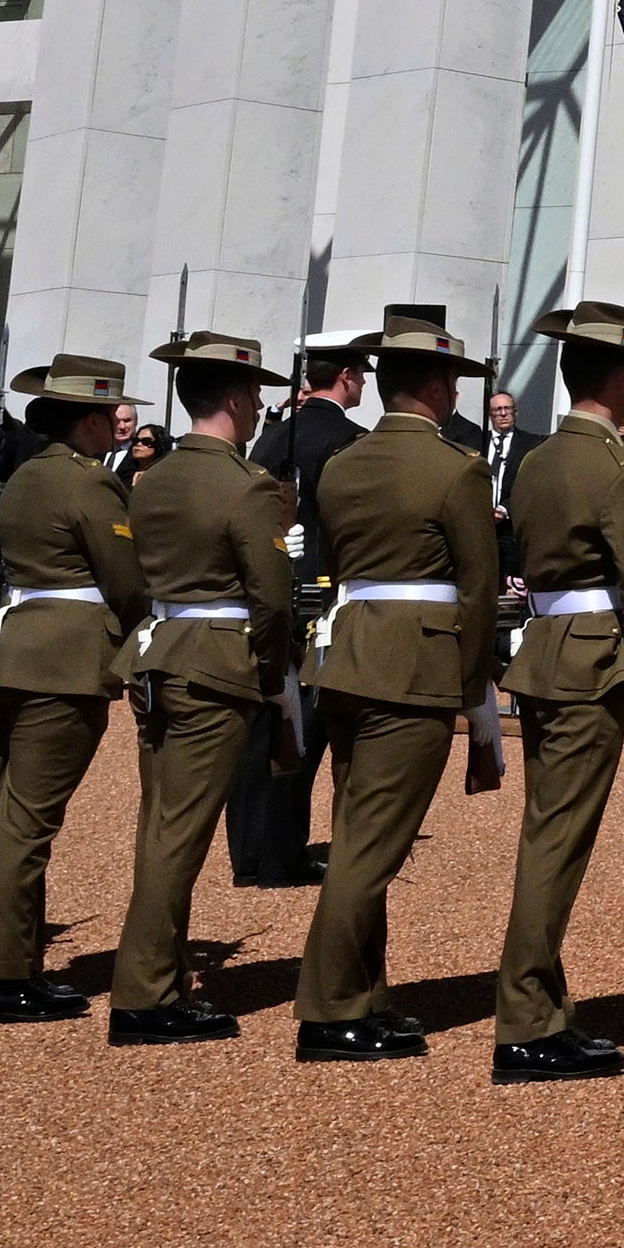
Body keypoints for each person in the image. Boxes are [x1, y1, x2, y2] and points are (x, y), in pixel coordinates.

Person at [289, 310, 501, 1064]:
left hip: (350, 655)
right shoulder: (457, 467)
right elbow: (479, 587)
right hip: (415, 665)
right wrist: (476, 688)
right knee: (372, 847)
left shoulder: (345, 461)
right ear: (441, 387)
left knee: (358, 833)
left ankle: (366, 993)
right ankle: (330, 1008)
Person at [100, 335, 298, 1048]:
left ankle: (162, 972)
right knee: (179, 834)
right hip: (217, 660)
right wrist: (272, 674)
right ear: (240, 401)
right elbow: (272, 597)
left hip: (158, 653)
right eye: (253, 398)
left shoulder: (152, 478)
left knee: (160, 826)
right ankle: (146, 993)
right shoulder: (244, 482)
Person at [492, 300, 624, 1082]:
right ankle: (527, 1019)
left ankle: (545, 1005)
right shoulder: (617, 469)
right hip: (594, 655)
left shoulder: (537, 459)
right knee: (557, 844)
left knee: (548, 834)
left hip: (544, 648)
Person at [0, 354, 151, 1021]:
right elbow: (126, 580)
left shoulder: (23, 479)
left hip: (16, 651)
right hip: (65, 658)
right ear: (92, 420)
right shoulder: (90, 485)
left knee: (14, 817)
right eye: (108, 418)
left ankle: (14, 964)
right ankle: (3, 978)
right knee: (29, 823)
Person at [229, 333, 371, 895]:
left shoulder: (270, 440)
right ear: (345, 378)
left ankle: (249, 851)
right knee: (304, 729)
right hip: (324, 592)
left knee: (263, 726)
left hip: (268, 586)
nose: (362, 385)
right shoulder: (351, 441)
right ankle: (279, 855)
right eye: (360, 375)